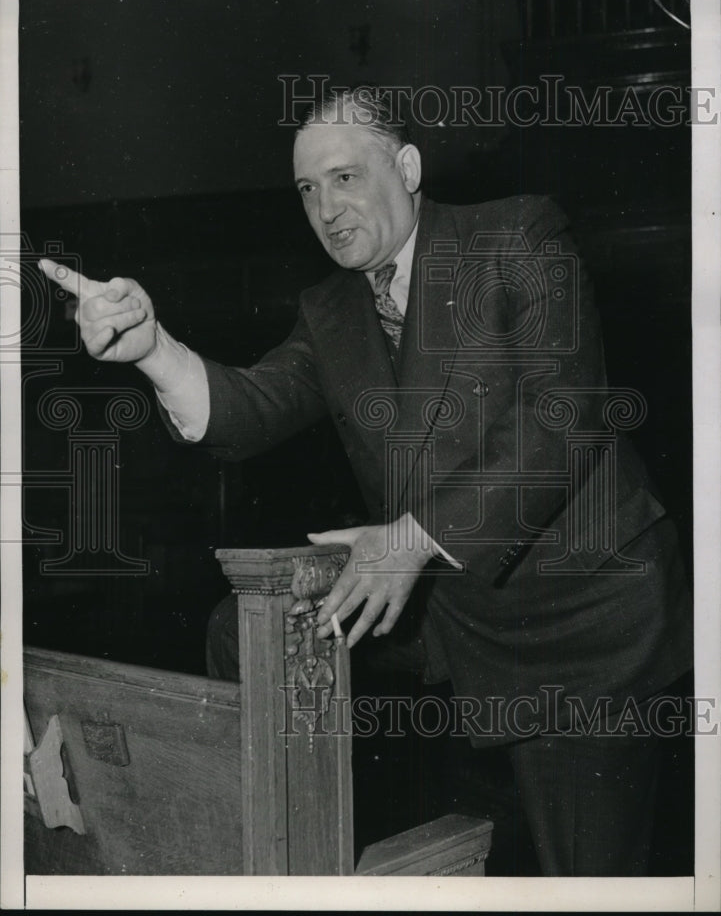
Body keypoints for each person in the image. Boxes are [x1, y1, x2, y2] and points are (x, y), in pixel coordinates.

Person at [40, 86, 693, 876]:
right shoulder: (331, 310)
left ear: (407, 168)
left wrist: (411, 539)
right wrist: (152, 349)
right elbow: (248, 409)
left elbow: (563, 419)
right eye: (307, 189)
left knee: (584, 877)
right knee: (246, 629)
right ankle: (275, 858)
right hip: (447, 609)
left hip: (578, 621)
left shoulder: (515, 235)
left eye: (345, 177)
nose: (326, 209)